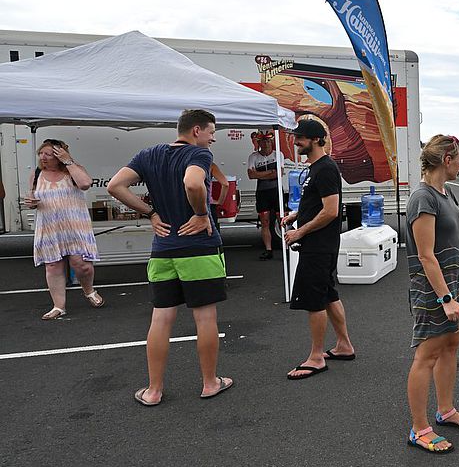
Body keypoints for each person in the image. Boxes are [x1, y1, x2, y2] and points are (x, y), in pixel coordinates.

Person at [108, 109, 233, 406]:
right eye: (212, 132)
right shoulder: (198, 154)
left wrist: (150, 213)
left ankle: (153, 390)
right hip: (199, 248)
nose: (213, 138)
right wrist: (202, 214)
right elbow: (193, 183)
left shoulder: (148, 154)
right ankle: (209, 383)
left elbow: (115, 186)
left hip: (163, 247)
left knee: (161, 318)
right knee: (204, 317)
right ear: (197, 131)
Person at [405, 135, 459, 454]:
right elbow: (425, 256)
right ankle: (419, 429)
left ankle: (446, 410)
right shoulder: (423, 198)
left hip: (455, 281)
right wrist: (446, 298)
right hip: (434, 288)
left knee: (451, 347)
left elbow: (451, 245)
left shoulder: (446, 192)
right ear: (447, 160)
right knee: (427, 356)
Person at [282, 119, 356, 379]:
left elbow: (331, 211)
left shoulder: (325, 169)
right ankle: (344, 345)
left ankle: (316, 357)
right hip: (319, 244)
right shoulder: (316, 168)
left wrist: (300, 231)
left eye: (300, 138)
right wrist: (295, 215)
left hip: (319, 246)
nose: (295, 141)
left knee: (315, 302)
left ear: (315, 139)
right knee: (328, 295)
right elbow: (317, 204)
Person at [26, 139, 101, 319]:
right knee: (52, 266)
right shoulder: (36, 174)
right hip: (49, 227)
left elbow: (85, 184)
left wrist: (69, 161)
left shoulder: (73, 169)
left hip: (75, 225)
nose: (43, 158)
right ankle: (59, 306)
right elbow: (31, 197)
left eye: (48, 154)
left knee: (81, 265)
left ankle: (89, 291)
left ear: (60, 155)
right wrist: (31, 203)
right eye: (41, 154)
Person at [247, 131, 281, 260]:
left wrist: (260, 174)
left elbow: (278, 173)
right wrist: (270, 172)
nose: (265, 144)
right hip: (262, 193)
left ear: (271, 142)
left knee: (281, 219)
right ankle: (268, 250)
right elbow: (251, 175)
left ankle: (287, 247)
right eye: (263, 142)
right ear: (259, 143)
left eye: (268, 141)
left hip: (276, 191)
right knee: (265, 222)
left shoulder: (278, 155)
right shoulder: (253, 157)